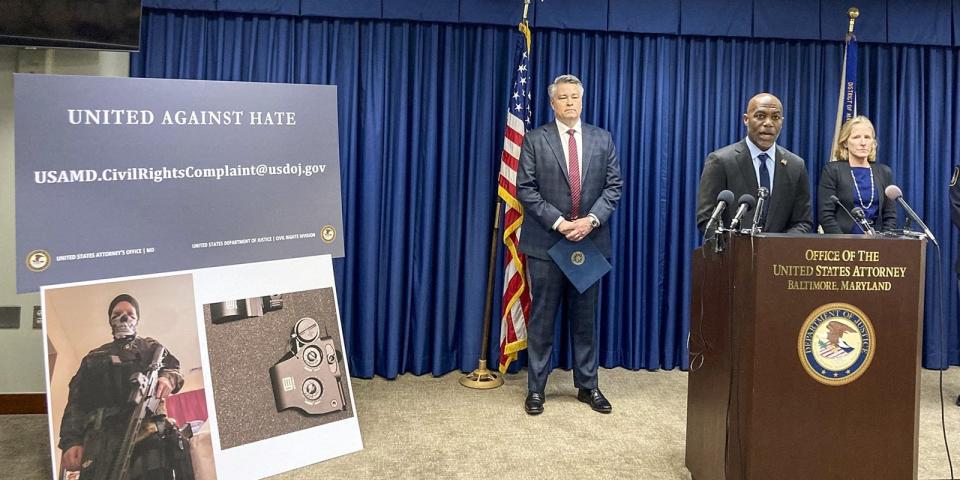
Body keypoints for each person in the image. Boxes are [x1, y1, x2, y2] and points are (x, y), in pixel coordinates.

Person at [516, 74, 623, 415]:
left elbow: (613, 187)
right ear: (553, 103)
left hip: (588, 243)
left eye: (575, 96)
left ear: (582, 99)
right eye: (563, 98)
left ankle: (588, 386)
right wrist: (561, 223)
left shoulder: (602, 139)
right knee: (543, 320)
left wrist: (589, 221)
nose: (570, 103)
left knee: (585, 320)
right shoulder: (535, 139)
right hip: (547, 244)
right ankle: (536, 390)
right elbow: (526, 189)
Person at [59, 294, 187, 478]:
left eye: (130, 314)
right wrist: (71, 441)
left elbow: (174, 369)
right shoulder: (94, 356)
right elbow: (76, 401)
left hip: (147, 434)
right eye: (117, 313)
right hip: (100, 439)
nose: (124, 317)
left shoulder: (151, 347)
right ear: (110, 320)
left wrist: (167, 379)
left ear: (137, 319)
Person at [696, 93, 813, 235]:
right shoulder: (721, 161)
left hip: (778, 255)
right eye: (760, 116)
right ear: (746, 119)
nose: (768, 123)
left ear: (781, 122)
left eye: (775, 117)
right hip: (732, 254)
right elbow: (707, 219)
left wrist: (777, 247)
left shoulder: (796, 166)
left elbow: (802, 222)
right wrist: (738, 248)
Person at [818, 116, 897, 234]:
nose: (863, 143)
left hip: (878, 244)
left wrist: (883, 242)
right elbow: (826, 215)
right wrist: (843, 243)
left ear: (873, 143)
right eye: (856, 137)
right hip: (842, 244)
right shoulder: (833, 170)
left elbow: (890, 216)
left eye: (867, 137)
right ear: (845, 142)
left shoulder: (884, 172)